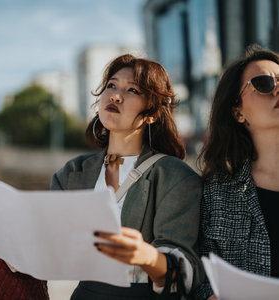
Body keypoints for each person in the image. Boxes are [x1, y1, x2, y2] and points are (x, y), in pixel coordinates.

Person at [51, 53, 203, 299]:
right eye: (111, 85)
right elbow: (47, 243)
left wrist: (147, 256)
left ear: (152, 114)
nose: (115, 95)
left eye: (132, 90)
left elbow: (186, 269)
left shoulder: (175, 175)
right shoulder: (72, 172)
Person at [196, 46, 279, 300]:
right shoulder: (216, 188)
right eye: (264, 83)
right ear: (238, 112)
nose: (277, 88)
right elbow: (199, 267)